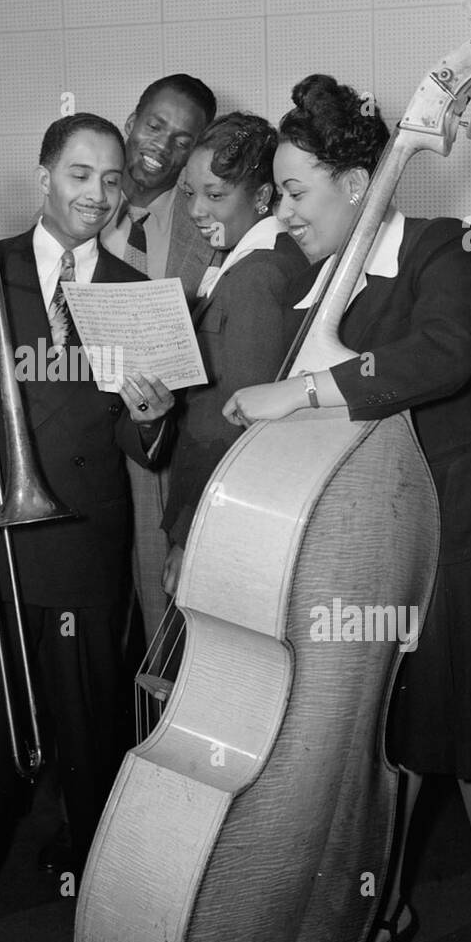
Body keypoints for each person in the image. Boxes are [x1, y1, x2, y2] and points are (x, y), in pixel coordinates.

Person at [224, 75, 471, 942]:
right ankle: (382, 905)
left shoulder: (440, 246)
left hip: (456, 532)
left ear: (360, 182)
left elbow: (443, 353)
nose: (286, 211)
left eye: (298, 192)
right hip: (365, 542)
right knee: (386, 733)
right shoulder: (315, 281)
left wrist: (308, 386)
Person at [0, 113, 174, 942]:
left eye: (111, 181)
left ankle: (102, 898)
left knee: (94, 734)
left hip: (84, 544)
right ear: (44, 175)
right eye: (79, 175)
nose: (96, 195)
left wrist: (154, 418)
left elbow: (141, 440)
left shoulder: (135, 292)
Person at [159, 111, 309, 597]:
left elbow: (240, 426)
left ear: (263, 197)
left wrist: (187, 535)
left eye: (216, 195)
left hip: (219, 518)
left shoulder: (258, 277)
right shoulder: (252, 262)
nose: (197, 210)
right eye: (189, 193)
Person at [100, 74, 217, 646]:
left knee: (162, 618)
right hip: (73, 443)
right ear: (131, 123)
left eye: (183, 139)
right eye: (155, 126)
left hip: (156, 450)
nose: (163, 145)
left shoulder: (211, 231)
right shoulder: (84, 206)